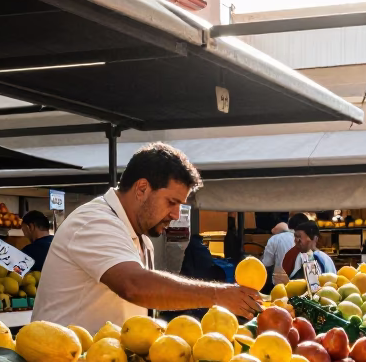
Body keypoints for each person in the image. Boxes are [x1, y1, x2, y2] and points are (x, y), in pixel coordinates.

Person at [32, 142, 261, 333]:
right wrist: (217, 295)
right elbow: (134, 285)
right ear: (141, 189)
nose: (175, 214)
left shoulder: (142, 240)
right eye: (171, 202)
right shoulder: (94, 221)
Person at [263, 213, 307, 288]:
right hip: (301, 286)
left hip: (279, 287)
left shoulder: (275, 239)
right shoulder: (307, 241)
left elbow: (266, 264)